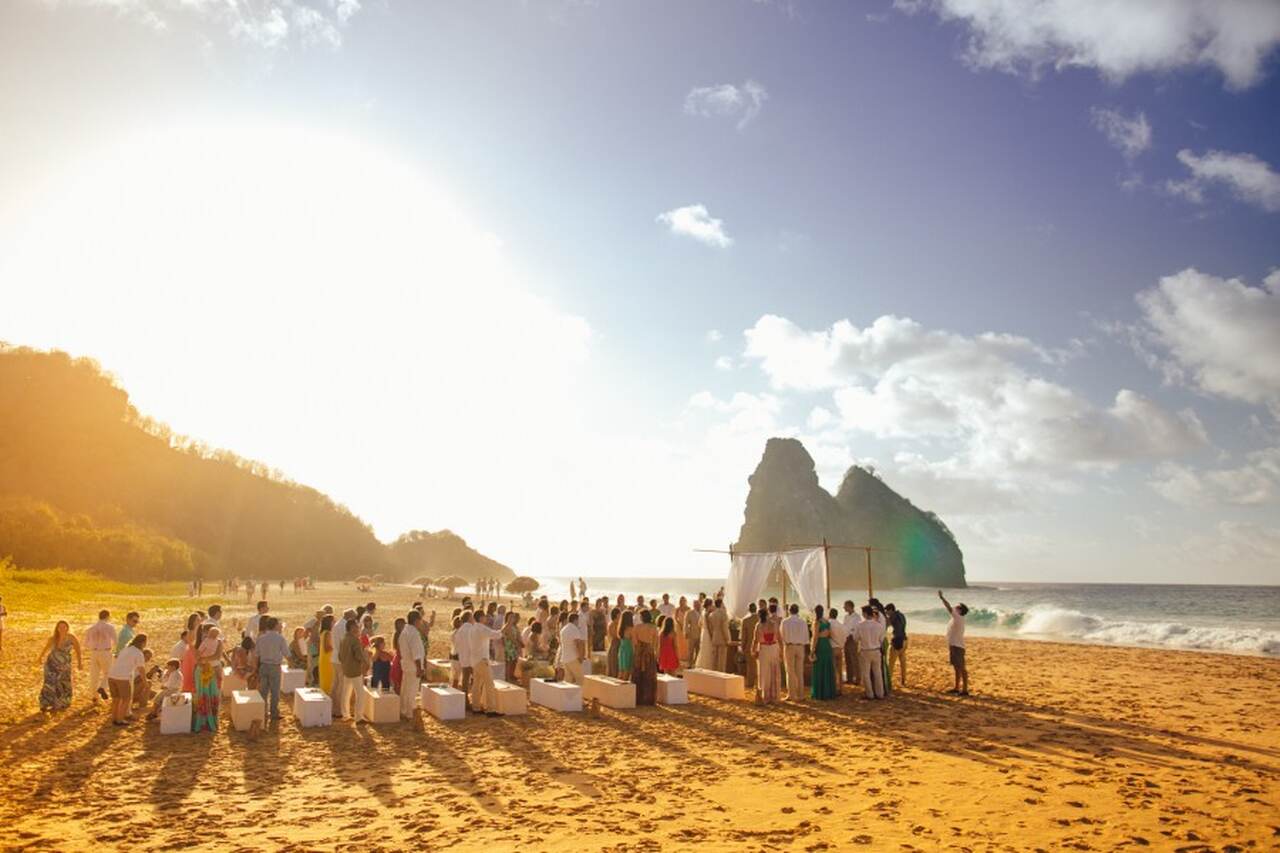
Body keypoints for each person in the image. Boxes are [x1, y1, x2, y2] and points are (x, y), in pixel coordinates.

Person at [38, 620, 82, 712]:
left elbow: (78, 651)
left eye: (64, 627)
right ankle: (45, 703)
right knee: (50, 682)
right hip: (51, 664)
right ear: (57, 629)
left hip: (64, 665)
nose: (62, 629)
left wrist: (79, 663)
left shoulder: (72, 638)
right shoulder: (53, 638)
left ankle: (62, 702)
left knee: (62, 682)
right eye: (60, 627)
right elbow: (45, 649)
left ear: (67, 627)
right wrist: (40, 657)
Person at [467, 612, 503, 716]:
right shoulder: (481, 628)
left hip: (475, 660)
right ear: (480, 618)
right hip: (482, 660)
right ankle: (491, 709)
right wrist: (503, 629)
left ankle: (476, 707)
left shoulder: (472, 628)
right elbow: (495, 635)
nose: (486, 618)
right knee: (489, 684)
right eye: (484, 616)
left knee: (476, 684)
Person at [254, 616, 289, 722]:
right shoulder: (280, 638)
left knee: (263, 691)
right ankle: (274, 713)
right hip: (275, 666)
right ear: (275, 625)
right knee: (275, 691)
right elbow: (287, 653)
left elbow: (257, 655)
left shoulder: (261, 638)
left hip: (263, 665)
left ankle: (263, 711)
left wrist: (256, 667)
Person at [108, 633, 148, 724]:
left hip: (111, 675)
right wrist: (145, 682)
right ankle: (120, 720)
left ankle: (114, 718)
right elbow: (141, 669)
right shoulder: (138, 653)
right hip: (123, 677)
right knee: (126, 699)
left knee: (116, 699)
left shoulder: (126, 649)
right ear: (143, 643)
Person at [192, 625, 223, 732]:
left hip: (209, 669)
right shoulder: (203, 641)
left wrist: (203, 659)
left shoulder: (218, 642)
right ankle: (203, 722)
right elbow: (197, 655)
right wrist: (200, 660)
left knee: (210, 694)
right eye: (209, 632)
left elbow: (217, 656)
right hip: (202, 670)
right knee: (203, 695)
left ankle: (209, 722)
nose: (210, 635)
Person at [939, 590, 969, 696]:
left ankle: (965, 690)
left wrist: (942, 598)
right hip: (953, 646)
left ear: (960, 611)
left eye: (957, 607)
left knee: (962, 668)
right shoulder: (957, 618)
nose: (955, 607)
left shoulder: (958, 618)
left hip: (958, 647)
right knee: (956, 667)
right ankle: (956, 688)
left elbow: (948, 607)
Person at [83, 610, 117, 703]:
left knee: (94, 675)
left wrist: (94, 646)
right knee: (108, 673)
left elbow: (85, 643)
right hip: (105, 651)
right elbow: (115, 641)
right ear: (107, 616)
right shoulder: (110, 627)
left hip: (94, 652)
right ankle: (102, 687)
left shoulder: (91, 628)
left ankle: (94, 696)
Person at [335, 618, 366, 719]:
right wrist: (365, 659)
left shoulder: (344, 639)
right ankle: (359, 717)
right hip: (355, 670)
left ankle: (346, 714)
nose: (358, 628)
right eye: (356, 626)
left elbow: (340, 656)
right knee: (360, 694)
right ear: (352, 628)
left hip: (346, 669)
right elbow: (359, 656)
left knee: (346, 693)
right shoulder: (354, 640)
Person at [398, 610, 426, 719]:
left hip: (406, 664)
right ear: (416, 621)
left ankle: (403, 710)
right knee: (412, 690)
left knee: (405, 688)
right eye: (420, 620)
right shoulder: (413, 633)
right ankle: (410, 713)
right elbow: (416, 654)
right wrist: (419, 668)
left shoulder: (404, 631)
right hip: (413, 666)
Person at [855, 605, 886, 700]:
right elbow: (881, 639)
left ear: (865, 613)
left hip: (865, 650)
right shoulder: (879, 625)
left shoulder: (860, 625)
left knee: (866, 673)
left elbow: (856, 638)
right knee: (877, 672)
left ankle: (870, 694)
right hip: (876, 650)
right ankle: (880, 693)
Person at [780, 604, 808, 701]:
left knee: (790, 671)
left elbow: (782, 635)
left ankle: (791, 694)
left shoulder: (785, 622)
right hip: (800, 646)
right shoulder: (803, 622)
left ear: (789, 611)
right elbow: (806, 636)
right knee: (799, 671)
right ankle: (800, 694)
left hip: (789, 646)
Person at [631, 610, 659, 705]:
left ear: (642, 617)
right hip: (649, 652)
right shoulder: (654, 628)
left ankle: (638, 698)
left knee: (638, 675)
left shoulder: (637, 628)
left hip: (639, 652)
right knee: (649, 675)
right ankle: (649, 699)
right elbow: (655, 643)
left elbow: (634, 642)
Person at [809, 606, 837, 700]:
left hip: (820, 645)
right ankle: (829, 691)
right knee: (827, 667)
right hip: (826, 644)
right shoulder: (826, 621)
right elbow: (829, 634)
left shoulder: (817, 622)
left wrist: (812, 650)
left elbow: (815, 637)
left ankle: (820, 692)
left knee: (819, 667)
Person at [754, 605, 781, 704]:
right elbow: (779, 637)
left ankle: (765, 696)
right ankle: (774, 696)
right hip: (774, 648)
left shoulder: (759, 625)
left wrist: (753, 650)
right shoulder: (774, 623)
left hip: (764, 648)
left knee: (764, 672)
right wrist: (781, 650)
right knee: (774, 671)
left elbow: (755, 639)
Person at [558, 612, 586, 686]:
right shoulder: (574, 629)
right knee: (580, 679)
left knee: (568, 680)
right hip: (573, 658)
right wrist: (581, 656)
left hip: (564, 658)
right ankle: (579, 696)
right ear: (575, 620)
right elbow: (578, 644)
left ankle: (566, 697)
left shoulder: (563, 629)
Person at [884, 603, 908, 687]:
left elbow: (887, 624)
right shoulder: (901, 615)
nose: (886, 613)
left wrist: (885, 618)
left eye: (887, 611)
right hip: (904, 639)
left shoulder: (893, 616)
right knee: (903, 662)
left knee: (891, 662)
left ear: (891, 610)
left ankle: (888, 681)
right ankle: (903, 680)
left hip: (897, 640)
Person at [739, 603, 759, 689]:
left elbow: (744, 636)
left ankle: (750, 683)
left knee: (750, 665)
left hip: (749, 645)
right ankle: (759, 683)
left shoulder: (746, 620)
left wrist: (742, 646)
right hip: (761, 646)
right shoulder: (761, 618)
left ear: (749, 610)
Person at [841, 601, 861, 685]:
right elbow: (844, 627)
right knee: (847, 659)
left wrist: (851, 635)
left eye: (845, 606)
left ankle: (857, 678)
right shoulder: (845, 617)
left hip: (852, 639)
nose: (844, 607)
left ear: (850, 606)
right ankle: (849, 678)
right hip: (846, 639)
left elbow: (856, 629)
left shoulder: (857, 617)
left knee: (854, 659)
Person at [501, 611, 522, 682]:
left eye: (513, 617)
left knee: (513, 662)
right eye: (510, 617)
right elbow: (511, 637)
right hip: (509, 647)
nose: (512, 618)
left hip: (513, 647)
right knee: (509, 663)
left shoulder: (513, 626)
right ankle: (507, 678)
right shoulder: (507, 626)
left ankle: (511, 676)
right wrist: (517, 645)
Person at [317, 614, 335, 699]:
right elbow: (327, 648)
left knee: (325, 679)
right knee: (328, 679)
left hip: (323, 658)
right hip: (328, 659)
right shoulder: (328, 633)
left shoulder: (322, 632)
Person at [617, 611, 635, 680]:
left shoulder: (621, 628)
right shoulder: (631, 629)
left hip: (622, 649)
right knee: (627, 671)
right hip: (628, 649)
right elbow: (633, 642)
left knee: (621, 670)